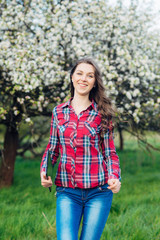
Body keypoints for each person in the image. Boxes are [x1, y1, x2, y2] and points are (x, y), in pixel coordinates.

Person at [40, 57, 121, 240]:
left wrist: (114, 176)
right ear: (72, 77)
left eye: (90, 75)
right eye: (80, 73)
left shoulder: (103, 114)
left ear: (94, 82)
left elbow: (110, 153)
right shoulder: (58, 112)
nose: (84, 79)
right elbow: (53, 148)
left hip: (99, 192)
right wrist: (44, 171)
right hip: (67, 191)